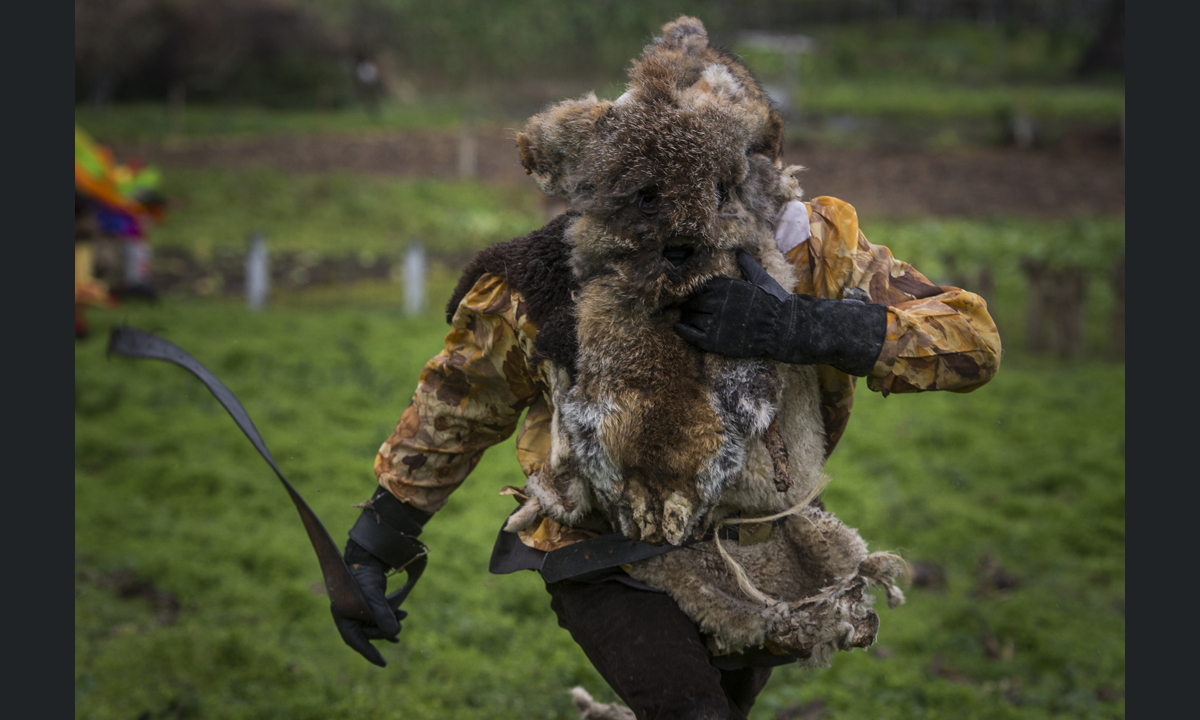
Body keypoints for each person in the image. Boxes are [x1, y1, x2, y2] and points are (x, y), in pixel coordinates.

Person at [331, 19, 1001, 720]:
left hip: (757, 552)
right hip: (602, 553)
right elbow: (464, 398)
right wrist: (375, 544)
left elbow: (971, 340)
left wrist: (802, 326)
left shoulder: (810, 246)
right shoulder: (547, 271)